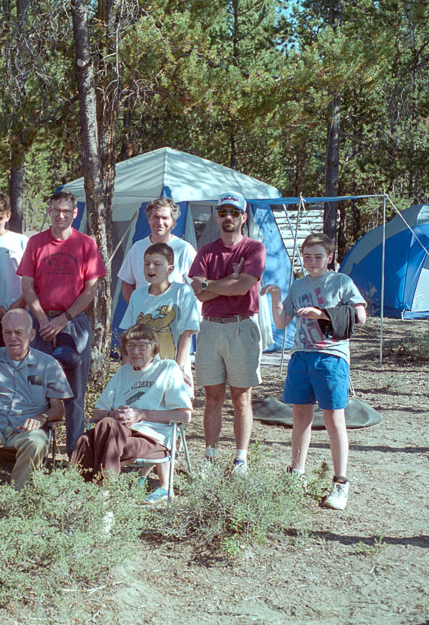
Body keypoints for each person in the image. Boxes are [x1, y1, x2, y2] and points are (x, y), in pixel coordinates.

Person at [262, 233, 367, 510]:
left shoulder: (341, 282)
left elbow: (360, 315)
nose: (312, 262)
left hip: (331, 357)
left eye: (318, 256)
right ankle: (296, 474)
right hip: (301, 357)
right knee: (300, 417)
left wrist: (322, 314)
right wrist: (274, 295)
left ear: (330, 257)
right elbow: (282, 321)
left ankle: (340, 483)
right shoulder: (297, 286)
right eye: (307, 257)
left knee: (334, 419)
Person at [18, 191, 107, 454]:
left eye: (66, 211)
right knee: (35, 386)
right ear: (49, 211)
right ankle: (33, 448)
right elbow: (27, 285)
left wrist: (63, 319)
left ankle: (74, 455)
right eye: (56, 210)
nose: (61, 215)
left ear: (74, 213)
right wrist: (44, 321)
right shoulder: (36, 242)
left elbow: (91, 290)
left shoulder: (86, 244)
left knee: (75, 390)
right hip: (39, 320)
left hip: (73, 322)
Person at [71, 324, 193, 503]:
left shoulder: (167, 369)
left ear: (154, 349)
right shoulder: (122, 372)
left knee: (106, 428)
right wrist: (114, 415)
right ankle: (84, 497)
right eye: (131, 346)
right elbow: (98, 411)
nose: (136, 351)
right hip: (116, 437)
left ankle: (101, 497)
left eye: (142, 346)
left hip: (152, 440)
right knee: (86, 439)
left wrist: (141, 414)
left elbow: (184, 416)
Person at [188, 191, 266, 473]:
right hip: (209, 328)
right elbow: (198, 292)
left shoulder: (254, 248)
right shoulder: (206, 250)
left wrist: (211, 284)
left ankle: (240, 459)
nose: (228, 217)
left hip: (241, 326)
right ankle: (209, 457)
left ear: (244, 217)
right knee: (212, 397)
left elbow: (243, 286)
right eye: (223, 213)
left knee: (241, 396)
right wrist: (223, 283)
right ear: (217, 216)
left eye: (234, 212)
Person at [0, 310, 72, 489]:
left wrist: (42, 418)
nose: (12, 338)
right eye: (7, 332)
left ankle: (17, 495)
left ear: (31, 335)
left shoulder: (48, 365)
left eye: (19, 332)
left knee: (37, 441)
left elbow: (59, 408)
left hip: (26, 429)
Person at [120, 242, 200, 495]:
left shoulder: (182, 293)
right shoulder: (137, 295)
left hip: (172, 368)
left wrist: (179, 369)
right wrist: (125, 372)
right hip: (142, 372)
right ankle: (142, 473)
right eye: (146, 264)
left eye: (157, 264)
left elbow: (186, 333)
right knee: (141, 418)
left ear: (171, 268)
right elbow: (129, 337)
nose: (151, 268)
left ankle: (166, 485)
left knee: (169, 420)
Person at [118, 197, 197, 303]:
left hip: (174, 315)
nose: (160, 222)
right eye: (156, 217)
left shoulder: (184, 249)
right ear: (149, 219)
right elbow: (127, 284)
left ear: (173, 222)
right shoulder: (137, 248)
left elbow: (196, 285)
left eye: (165, 218)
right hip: (144, 316)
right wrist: (136, 307)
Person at [0, 192, 29, 344]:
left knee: (17, 353)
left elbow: (32, 278)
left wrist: (21, 302)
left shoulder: (20, 241)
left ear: (8, 216)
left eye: (0, 218)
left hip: (19, 308)